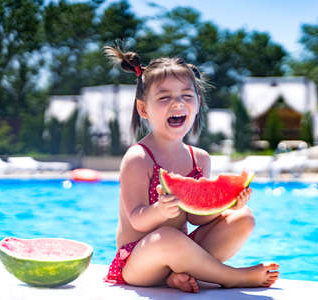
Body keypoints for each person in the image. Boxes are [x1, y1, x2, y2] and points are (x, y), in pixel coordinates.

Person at [103, 46, 279, 293]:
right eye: (164, 98)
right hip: (138, 261)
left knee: (244, 218)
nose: (177, 103)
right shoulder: (139, 157)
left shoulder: (200, 159)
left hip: (181, 252)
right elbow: (137, 219)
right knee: (166, 236)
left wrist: (228, 205)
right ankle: (230, 277)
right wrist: (159, 210)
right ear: (144, 109)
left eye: (187, 96)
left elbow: (197, 217)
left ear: (197, 105)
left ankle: (177, 276)